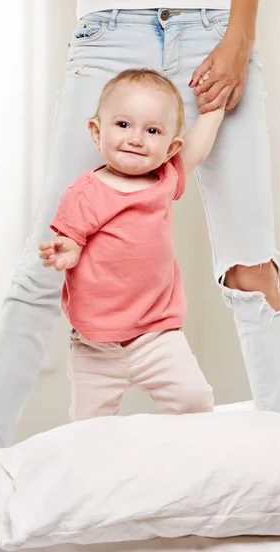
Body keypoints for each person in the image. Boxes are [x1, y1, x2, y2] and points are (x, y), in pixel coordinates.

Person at [0, 0, 280, 451]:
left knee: (252, 265)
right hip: (109, 29)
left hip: (215, 27)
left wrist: (241, 33)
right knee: (44, 260)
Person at [40, 69, 222, 419]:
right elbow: (73, 240)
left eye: (152, 131)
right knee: (90, 427)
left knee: (195, 402)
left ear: (170, 147)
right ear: (97, 131)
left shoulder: (164, 179)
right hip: (96, 344)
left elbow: (197, 150)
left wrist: (214, 110)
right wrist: (66, 249)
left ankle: (181, 466)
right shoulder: (85, 193)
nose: (136, 139)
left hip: (157, 334)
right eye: (123, 125)